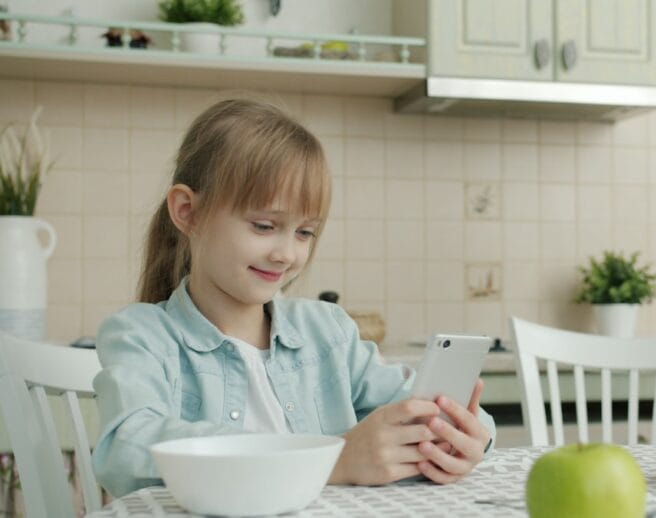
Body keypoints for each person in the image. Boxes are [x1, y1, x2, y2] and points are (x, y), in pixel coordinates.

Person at [91, 99, 496, 497]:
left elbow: (425, 410)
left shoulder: (328, 332)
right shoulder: (141, 335)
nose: (286, 253)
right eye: (265, 226)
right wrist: (331, 459)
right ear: (188, 212)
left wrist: (457, 436)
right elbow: (126, 449)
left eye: (304, 232)